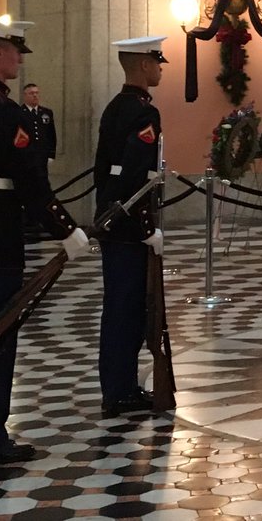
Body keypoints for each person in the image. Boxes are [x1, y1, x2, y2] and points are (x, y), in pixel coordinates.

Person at [0, 19, 89, 467]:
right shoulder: (10, 114)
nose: (20, 59)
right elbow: (31, 182)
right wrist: (67, 230)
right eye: (15, 51)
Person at [92, 36, 167, 418]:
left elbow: (106, 173)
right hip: (126, 227)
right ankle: (119, 391)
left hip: (112, 221)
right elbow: (137, 177)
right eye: (156, 62)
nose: (160, 68)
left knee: (117, 309)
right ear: (142, 65)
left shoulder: (114, 107)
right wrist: (144, 230)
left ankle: (118, 386)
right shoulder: (142, 113)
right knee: (127, 310)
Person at [20, 83, 57, 168]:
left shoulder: (46, 112)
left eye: (37, 93)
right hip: (26, 156)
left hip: (42, 155)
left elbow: (51, 134)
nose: (35, 95)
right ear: (25, 95)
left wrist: (51, 154)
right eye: (31, 93)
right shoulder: (19, 112)